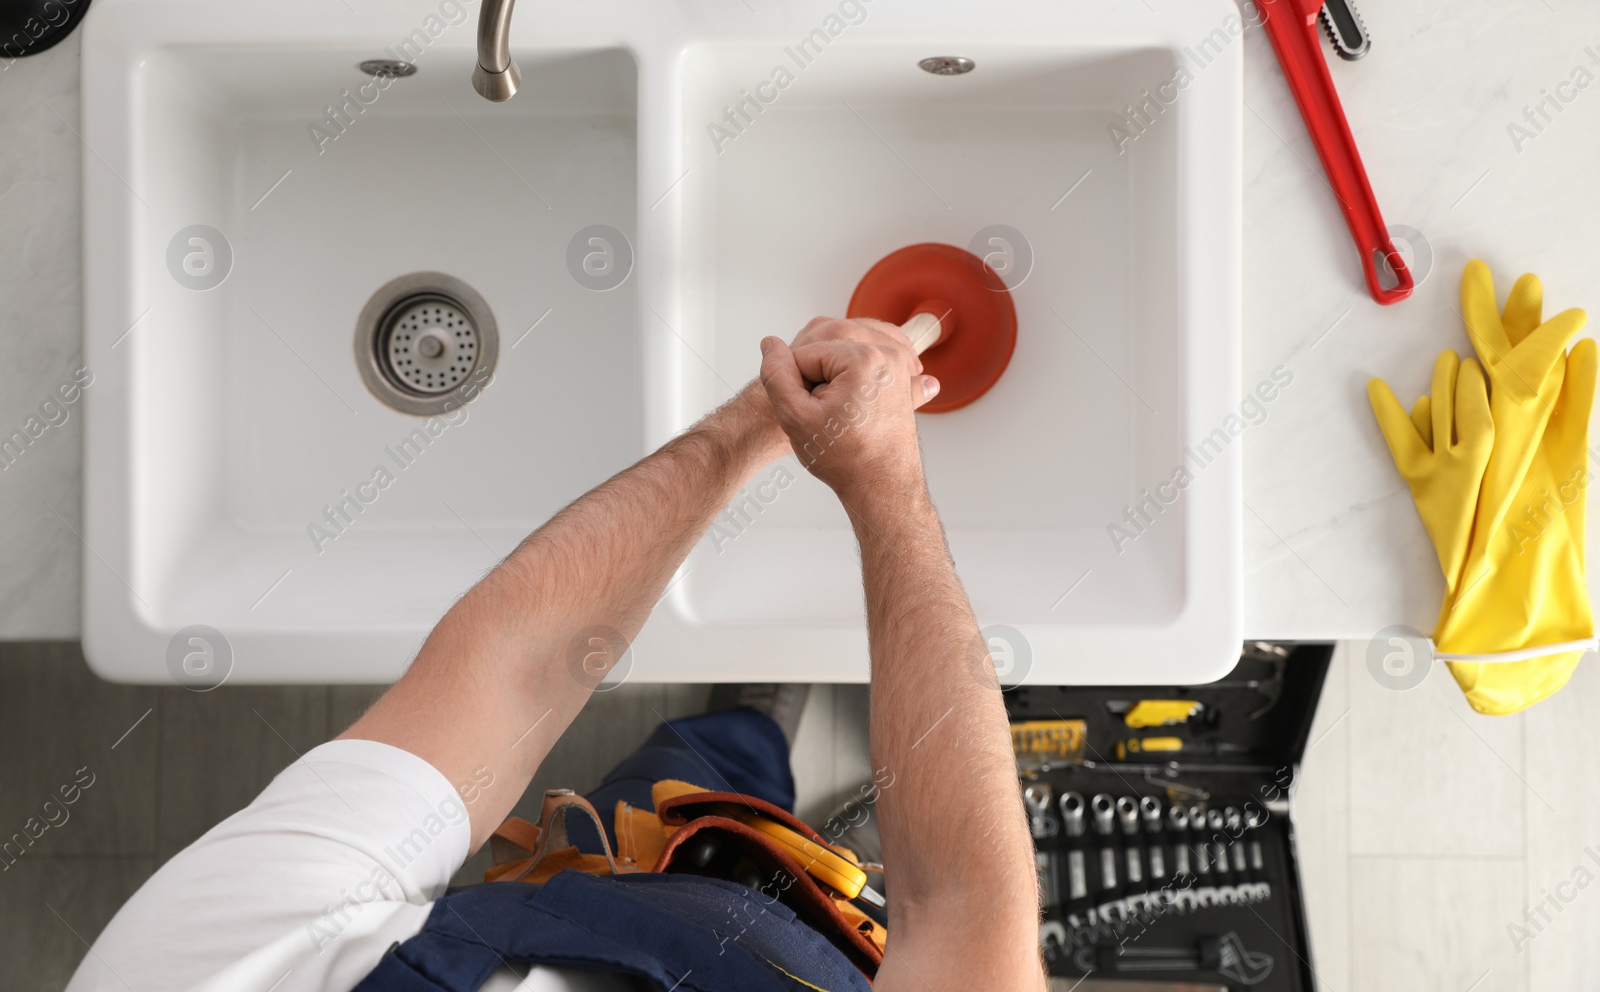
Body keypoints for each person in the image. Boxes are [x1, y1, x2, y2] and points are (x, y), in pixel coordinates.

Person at [66, 317, 1045, 991]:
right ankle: (745, 748)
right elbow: (958, 909)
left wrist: (757, 425)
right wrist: (882, 485)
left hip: (606, 900)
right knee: (736, 816)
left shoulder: (206, 970)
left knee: (686, 781)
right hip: (785, 952)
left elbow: (509, 670)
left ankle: (737, 734)